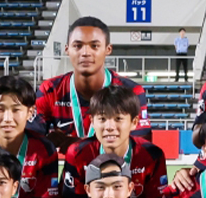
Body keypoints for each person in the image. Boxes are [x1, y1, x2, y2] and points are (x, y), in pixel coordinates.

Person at [34, 16, 150, 151]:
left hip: (116, 171)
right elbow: (31, 141)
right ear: (67, 49)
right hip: (71, 171)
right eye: (77, 46)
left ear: (108, 49)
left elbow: (141, 146)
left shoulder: (132, 91)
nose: (85, 53)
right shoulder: (50, 90)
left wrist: (74, 144)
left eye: (94, 46)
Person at [61, 84, 167, 198]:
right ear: (92, 122)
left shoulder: (152, 156)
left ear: (134, 123)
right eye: (102, 118)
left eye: (118, 118)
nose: (110, 127)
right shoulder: (78, 154)